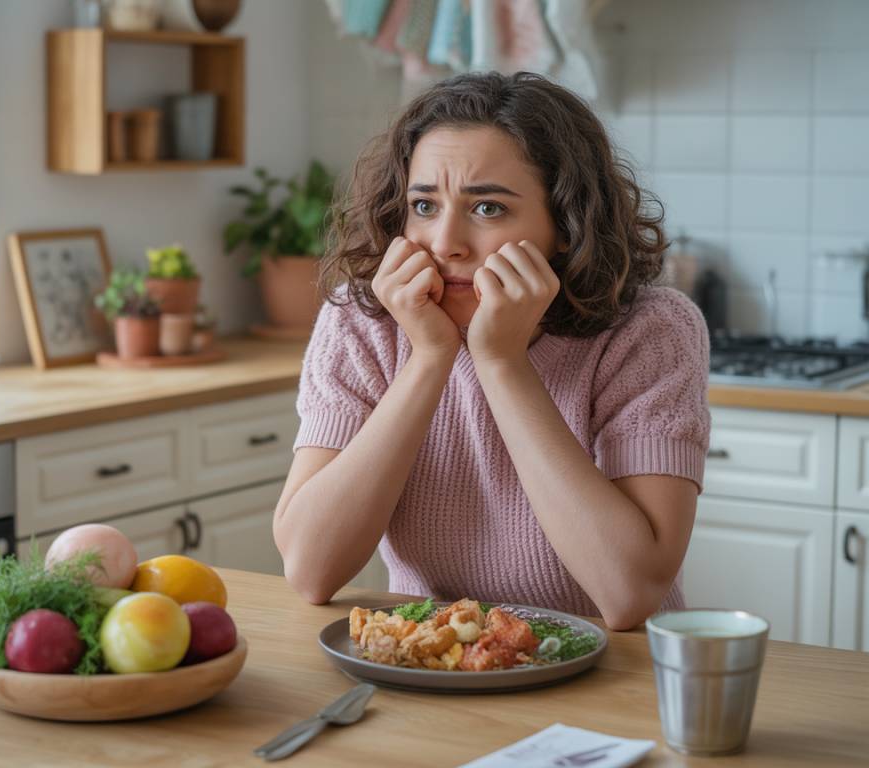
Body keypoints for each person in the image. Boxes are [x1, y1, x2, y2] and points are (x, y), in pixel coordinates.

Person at [272, 71, 710, 630]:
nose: (445, 243)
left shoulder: (650, 332)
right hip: (435, 669)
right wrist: (430, 359)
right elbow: (311, 569)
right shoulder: (363, 322)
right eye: (424, 206)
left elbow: (630, 593)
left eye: (488, 209)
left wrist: (501, 363)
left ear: (568, 225)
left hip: (611, 680)